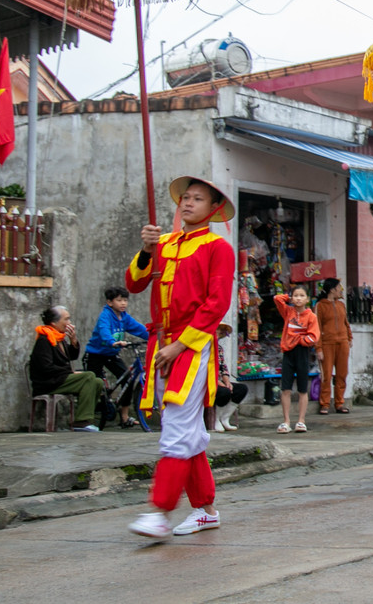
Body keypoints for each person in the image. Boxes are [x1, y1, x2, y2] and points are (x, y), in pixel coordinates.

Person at [124, 176, 236, 540]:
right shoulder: (165, 242)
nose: (187, 203)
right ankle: (206, 511)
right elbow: (134, 283)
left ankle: (160, 511)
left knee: (175, 428)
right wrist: (145, 250)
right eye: (185, 198)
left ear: (213, 209)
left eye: (197, 199)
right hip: (161, 344)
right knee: (186, 429)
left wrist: (181, 345)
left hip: (191, 344)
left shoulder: (218, 248)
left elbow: (216, 304)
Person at [83, 286, 150, 428]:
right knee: (95, 384)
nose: (123, 303)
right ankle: (86, 419)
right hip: (96, 354)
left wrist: (154, 337)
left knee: (128, 380)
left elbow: (139, 329)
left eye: (125, 300)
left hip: (111, 355)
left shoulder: (124, 317)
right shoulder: (106, 315)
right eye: (119, 300)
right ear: (110, 302)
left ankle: (124, 417)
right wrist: (112, 342)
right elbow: (104, 330)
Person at [29, 305, 103, 432]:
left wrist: (73, 341)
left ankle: (86, 420)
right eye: (66, 319)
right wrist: (70, 372)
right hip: (48, 382)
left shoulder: (60, 338)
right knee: (89, 376)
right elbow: (46, 367)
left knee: (97, 382)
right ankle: (81, 421)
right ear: (54, 323)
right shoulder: (45, 340)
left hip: (60, 379)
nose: (69, 323)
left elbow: (72, 356)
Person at [274, 285, 320, 434]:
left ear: (307, 299)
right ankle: (286, 421)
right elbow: (277, 298)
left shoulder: (311, 316)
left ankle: (301, 421)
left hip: (302, 353)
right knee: (285, 389)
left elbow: (313, 337)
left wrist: (298, 339)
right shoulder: (288, 312)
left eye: (302, 296)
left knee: (302, 389)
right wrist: (289, 298)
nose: (298, 298)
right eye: (296, 296)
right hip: (288, 353)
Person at [314, 277, 352, 414]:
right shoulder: (320, 306)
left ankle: (339, 403)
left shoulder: (341, 305)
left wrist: (349, 338)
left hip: (342, 342)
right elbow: (316, 328)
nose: (340, 290)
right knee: (327, 375)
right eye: (338, 288)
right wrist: (318, 348)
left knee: (342, 374)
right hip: (327, 344)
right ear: (332, 290)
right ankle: (324, 403)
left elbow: (346, 323)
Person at [213, 323, 247, 432]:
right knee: (223, 392)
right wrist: (217, 382)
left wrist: (227, 381)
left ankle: (224, 418)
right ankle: (215, 419)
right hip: (206, 382)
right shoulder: (203, 347)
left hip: (219, 380)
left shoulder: (219, 348)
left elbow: (223, 367)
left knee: (241, 389)